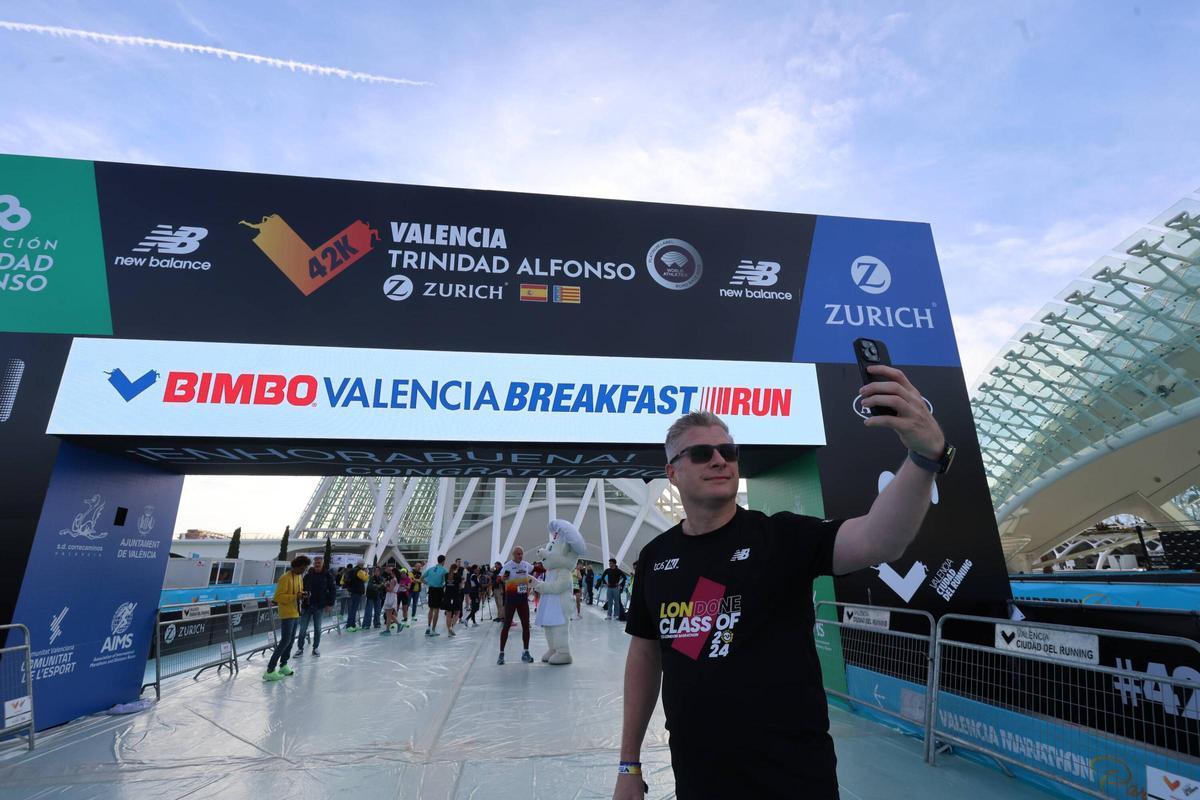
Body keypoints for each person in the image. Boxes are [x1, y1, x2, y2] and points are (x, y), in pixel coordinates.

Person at [614, 376, 950, 799]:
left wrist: (924, 456)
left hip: (792, 776)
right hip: (699, 775)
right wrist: (629, 763)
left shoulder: (782, 538)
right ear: (672, 472)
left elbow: (880, 539)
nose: (720, 460)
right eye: (702, 453)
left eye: (728, 451)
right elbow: (645, 655)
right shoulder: (656, 557)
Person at [264, 555, 311, 681]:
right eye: (303, 568)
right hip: (287, 614)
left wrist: (302, 595)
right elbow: (278, 597)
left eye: (305, 568)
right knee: (285, 641)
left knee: (290, 641)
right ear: (296, 566)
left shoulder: (299, 577)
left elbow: (298, 592)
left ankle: (283, 664)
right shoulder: (285, 578)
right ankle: (270, 669)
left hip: (295, 613)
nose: (304, 570)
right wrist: (295, 596)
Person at [497, 546, 536, 665]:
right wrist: (503, 578)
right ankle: (501, 653)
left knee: (526, 625)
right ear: (513, 555)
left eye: (521, 553)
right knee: (506, 625)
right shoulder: (508, 565)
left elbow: (536, 568)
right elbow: (499, 578)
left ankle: (526, 652)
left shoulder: (525, 565)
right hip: (511, 600)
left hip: (523, 600)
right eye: (518, 554)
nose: (520, 555)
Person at [295, 554, 335, 657]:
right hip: (307, 606)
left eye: (319, 562)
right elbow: (301, 588)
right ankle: (300, 648)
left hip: (319, 606)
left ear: (322, 563)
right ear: (313, 564)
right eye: (316, 562)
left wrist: (330, 604)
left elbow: (332, 590)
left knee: (318, 628)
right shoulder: (308, 575)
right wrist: (301, 596)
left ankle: (315, 648)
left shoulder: (327, 575)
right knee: (302, 629)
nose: (317, 564)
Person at [424, 555, 448, 636]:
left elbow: (421, 578)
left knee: (431, 609)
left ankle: (428, 627)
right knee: (436, 610)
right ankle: (433, 630)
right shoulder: (444, 570)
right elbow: (446, 582)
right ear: (443, 561)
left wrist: (427, 583)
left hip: (431, 589)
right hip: (438, 590)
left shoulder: (430, 569)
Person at [341, 561, 368, 631]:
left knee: (353, 609)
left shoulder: (352, 570)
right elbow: (365, 579)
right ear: (361, 565)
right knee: (353, 609)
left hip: (352, 591)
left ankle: (352, 624)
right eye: (363, 565)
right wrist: (366, 573)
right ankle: (349, 625)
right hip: (357, 592)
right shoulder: (359, 571)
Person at [443, 562, 463, 636]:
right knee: (457, 612)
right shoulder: (458, 576)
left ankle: (449, 632)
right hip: (455, 596)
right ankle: (451, 627)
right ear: (456, 569)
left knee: (448, 614)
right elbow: (460, 587)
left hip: (447, 596)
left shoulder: (446, 575)